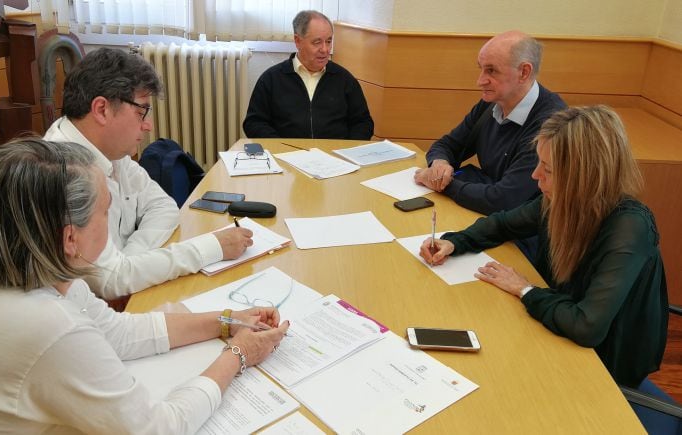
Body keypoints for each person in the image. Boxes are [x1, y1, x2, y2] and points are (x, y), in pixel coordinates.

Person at [0, 138, 289, 433]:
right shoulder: (47, 325)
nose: (111, 224)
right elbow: (157, 429)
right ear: (69, 238)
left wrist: (226, 321)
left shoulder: (20, 262)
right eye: (106, 211)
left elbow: (117, 333)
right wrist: (238, 355)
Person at [419, 106, 668, 388]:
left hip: (604, 361)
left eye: (548, 169)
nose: (536, 176)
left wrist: (524, 289)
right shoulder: (562, 199)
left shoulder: (629, 228)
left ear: (584, 175)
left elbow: (586, 326)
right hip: (558, 327)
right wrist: (454, 241)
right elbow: (503, 224)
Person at [44, 47, 253, 299]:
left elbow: (163, 206)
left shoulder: (109, 150)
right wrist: (212, 247)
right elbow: (109, 281)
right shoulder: (63, 171)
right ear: (101, 109)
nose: (148, 124)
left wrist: (130, 261)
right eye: (140, 111)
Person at [414, 31, 567, 216]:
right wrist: (439, 165)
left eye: (491, 70)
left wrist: (442, 184)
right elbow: (447, 145)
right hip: (486, 215)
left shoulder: (550, 123)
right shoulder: (491, 103)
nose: (480, 81)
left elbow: (503, 199)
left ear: (524, 72)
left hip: (523, 232)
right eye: (481, 68)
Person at [243, 10, 374, 140]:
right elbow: (254, 123)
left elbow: (363, 123)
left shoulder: (344, 79)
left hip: (334, 157)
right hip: (286, 155)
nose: (325, 49)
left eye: (328, 41)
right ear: (297, 41)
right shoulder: (271, 79)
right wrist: (279, 146)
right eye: (317, 42)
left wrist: (345, 150)